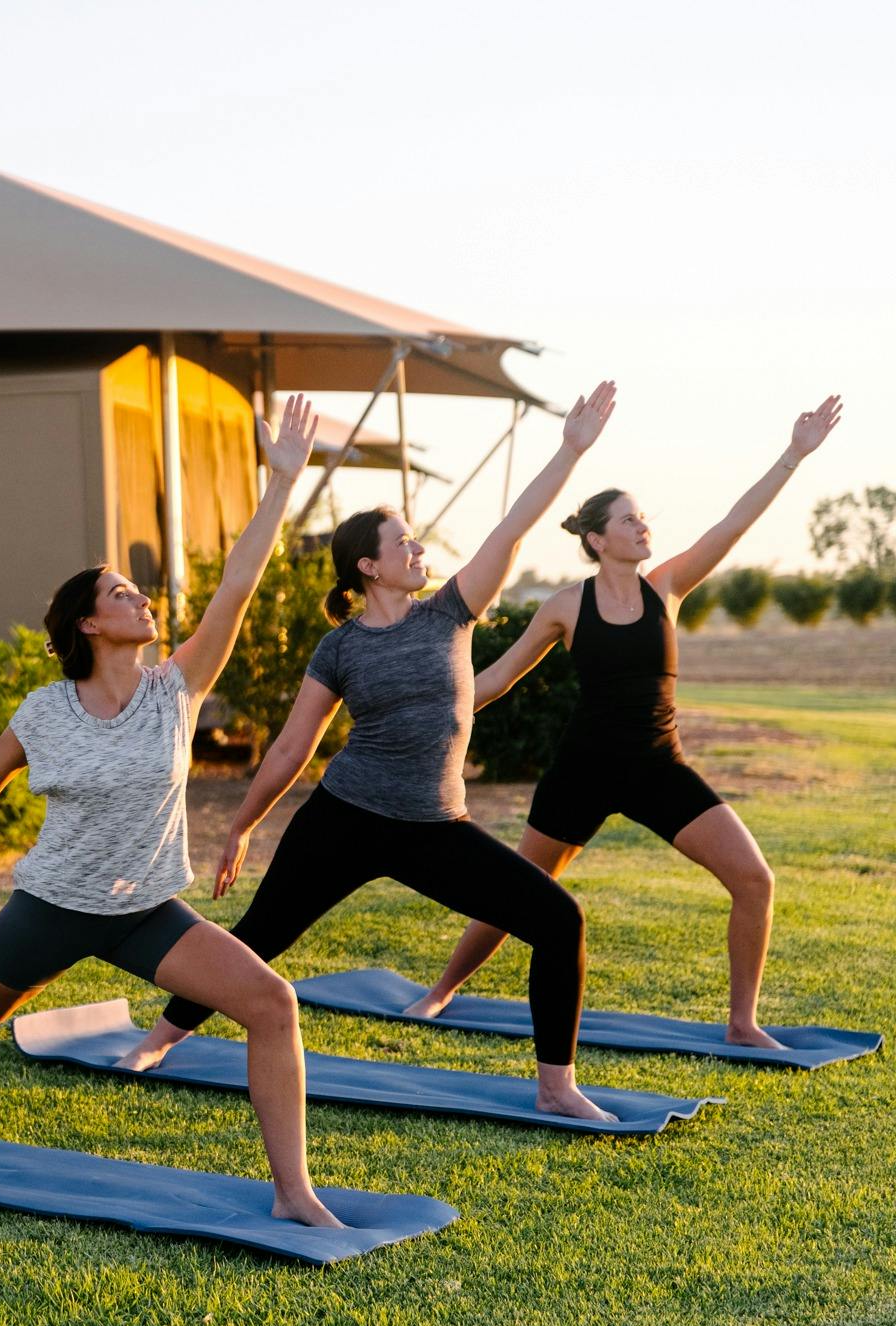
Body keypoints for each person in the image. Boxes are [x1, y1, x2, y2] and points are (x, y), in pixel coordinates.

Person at [0, 395, 345, 1228]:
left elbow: (240, 582)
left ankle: (293, 1190)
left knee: (273, 1002)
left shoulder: (178, 686)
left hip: (144, 911)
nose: (144, 602)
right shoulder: (45, 710)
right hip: (53, 907)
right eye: (124, 594)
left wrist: (279, 485)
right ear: (91, 622)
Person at [118, 382, 624, 1123]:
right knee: (260, 934)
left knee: (558, 919)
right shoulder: (340, 647)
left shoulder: (452, 611)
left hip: (434, 827)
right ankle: (158, 1039)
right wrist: (243, 823)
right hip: (345, 817)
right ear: (368, 567)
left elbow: (512, 529)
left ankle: (555, 1083)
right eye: (404, 542)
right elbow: (295, 743)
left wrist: (570, 449)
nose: (420, 549)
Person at [402, 395, 845, 1047]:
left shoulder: (665, 587)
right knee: (517, 894)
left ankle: (742, 1021)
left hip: (658, 767)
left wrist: (793, 454)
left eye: (644, 519)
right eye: (630, 519)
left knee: (754, 878)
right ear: (596, 538)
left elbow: (733, 523)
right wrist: (424, 712)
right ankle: (439, 991)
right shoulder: (564, 605)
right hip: (581, 771)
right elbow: (495, 679)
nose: (644, 527)